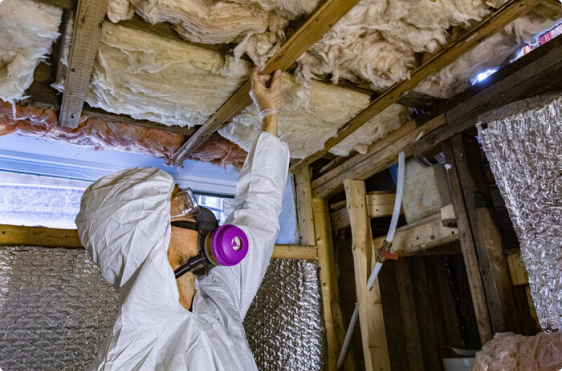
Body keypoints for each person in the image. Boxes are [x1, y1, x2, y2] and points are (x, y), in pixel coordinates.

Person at [76, 68, 289, 370]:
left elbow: (258, 213)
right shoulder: (129, 360)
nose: (198, 212)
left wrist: (270, 114)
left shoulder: (214, 300)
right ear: (151, 235)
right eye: (184, 204)